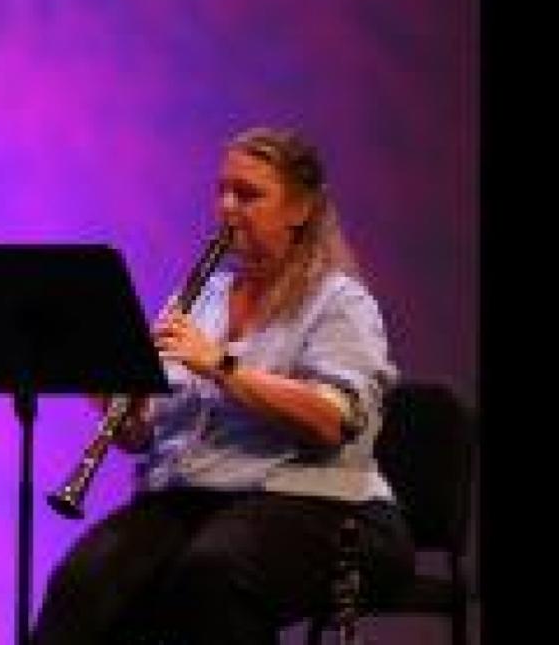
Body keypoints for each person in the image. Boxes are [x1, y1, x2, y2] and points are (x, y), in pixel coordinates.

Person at [33, 126, 415, 644]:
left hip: (321, 505)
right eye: (223, 191)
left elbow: (331, 421)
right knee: (82, 586)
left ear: (301, 209)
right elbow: (141, 439)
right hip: (192, 497)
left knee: (214, 575)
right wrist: (104, 383)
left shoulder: (339, 301)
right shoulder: (202, 295)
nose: (228, 208)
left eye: (250, 195)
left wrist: (221, 364)